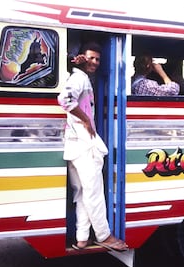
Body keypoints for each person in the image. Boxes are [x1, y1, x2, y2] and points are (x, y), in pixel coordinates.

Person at [58, 42, 128, 251]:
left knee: (81, 193)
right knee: (94, 193)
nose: (95, 62)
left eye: (98, 59)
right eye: (91, 58)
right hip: (84, 145)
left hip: (73, 145)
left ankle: (81, 238)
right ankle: (104, 235)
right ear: (81, 58)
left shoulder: (80, 77)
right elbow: (64, 100)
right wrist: (86, 120)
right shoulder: (79, 78)